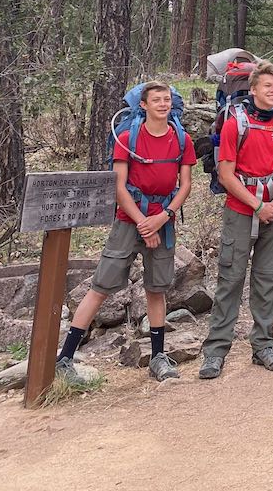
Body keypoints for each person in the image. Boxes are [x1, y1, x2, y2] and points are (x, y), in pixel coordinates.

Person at [57, 82, 194, 383]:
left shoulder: (181, 139)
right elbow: (119, 187)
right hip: (128, 220)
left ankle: (158, 356)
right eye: (156, 100)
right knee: (101, 286)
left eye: (166, 99)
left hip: (163, 220)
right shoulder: (127, 137)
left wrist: (162, 218)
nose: (163, 104)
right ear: (142, 105)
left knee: (157, 289)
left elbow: (185, 185)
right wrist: (145, 223)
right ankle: (64, 358)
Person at [200, 61, 273, 379]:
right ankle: (215, 352)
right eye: (267, 86)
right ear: (254, 89)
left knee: (267, 278)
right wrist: (258, 205)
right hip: (241, 210)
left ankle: (264, 346)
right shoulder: (235, 123)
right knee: (230, 280)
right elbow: (227, 175)